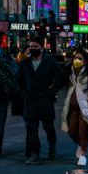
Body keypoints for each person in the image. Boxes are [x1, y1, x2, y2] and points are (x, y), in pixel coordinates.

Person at [18, 36, 65, 165]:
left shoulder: (50, 62)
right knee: (31, 128)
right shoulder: (25, 63)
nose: (33, 49)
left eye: (36, 47)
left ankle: (52, 145)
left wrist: (52, 91)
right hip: (30, 100)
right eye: (31, 47)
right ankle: (34, 153)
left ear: (42, 48)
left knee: (48, 126)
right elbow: (20, 80)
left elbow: (60, 79)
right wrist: (24, 93)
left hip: (45, 99)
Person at [60, 47, 88, 166]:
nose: (77, 60)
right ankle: (81, 143)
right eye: (75, 58)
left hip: (84, 108)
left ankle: (83, 153)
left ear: (85, 60)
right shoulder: (70, 72)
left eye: (80, 58)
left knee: (83, 131)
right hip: (71, 108)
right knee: (71, 130)